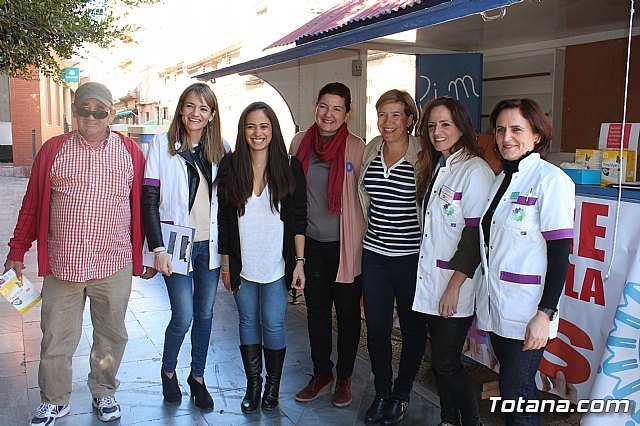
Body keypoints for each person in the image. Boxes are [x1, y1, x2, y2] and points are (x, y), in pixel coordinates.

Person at [3, 82, 149, 425]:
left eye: (100, 110)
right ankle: (55, 400)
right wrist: (16, 250)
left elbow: (146, 205)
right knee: (55, 336)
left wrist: (151, 252)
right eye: (85, 109)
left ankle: (104, 391)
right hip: (63, 264)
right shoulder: (54, 150)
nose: (92, 116)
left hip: (113, 263)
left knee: (111, 335)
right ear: (74, 112)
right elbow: (33, 204)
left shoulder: (130, 152)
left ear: (111, 113)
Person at [476, 99, 575, 425]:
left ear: (536, 135)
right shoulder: (502, 179)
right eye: (501, 129)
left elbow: (560, 253)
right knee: (514, 388)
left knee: (516, 391)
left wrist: (545, 314)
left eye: (517, 129)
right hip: (498, 305)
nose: (506, 137)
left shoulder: (551, 180)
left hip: (528, 311)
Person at [216, 101, 307, 413]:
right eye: (251, 126)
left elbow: (298, 219)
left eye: (264, 126)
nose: (257, 133)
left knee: (273, 323)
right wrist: (227, 265)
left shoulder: (289, 166)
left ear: (273, 130)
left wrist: (300, 263)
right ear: (243, 130)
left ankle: (272, 386)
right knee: (247, 321)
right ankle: (253, 385)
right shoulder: (230, 166)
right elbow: (224, 221)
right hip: (243, 264)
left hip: (277, 265)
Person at [141, 82, 227, 410]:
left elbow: (229, 203)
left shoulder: (222, 149)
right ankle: (168, 370)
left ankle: (198, 377)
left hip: (209, 246)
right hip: (175, 247)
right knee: (184, 315)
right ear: (181, 108)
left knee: (205, 314)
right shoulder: (160, 147)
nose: (196, 113)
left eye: (203, 108)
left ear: (211, 115)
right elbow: (149, 200)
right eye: (190, 106)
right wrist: (157, 249)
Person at [411, 97, 495, 426]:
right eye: (432, 125)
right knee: (440, 361)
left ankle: (471, 420)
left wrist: (453, 287)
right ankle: (448, 419)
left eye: (445, 124)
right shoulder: (440, 166)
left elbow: (475, 237)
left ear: (461, 126)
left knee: (446, 362)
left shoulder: (474, 170)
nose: (437, 131)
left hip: (455, 285)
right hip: (433, 281)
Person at [289, 82, 366, 407]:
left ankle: (344, 376)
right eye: (324, 106)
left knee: (348, 316)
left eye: (337, 108)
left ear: (347, 112)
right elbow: (292, 197)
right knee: (317, 313)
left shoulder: (356, 147)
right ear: (315, 107)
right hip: (311, 248)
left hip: (346, 247)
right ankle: (322, 373)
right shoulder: (298, 143)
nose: (328, 114)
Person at [358, 89, 427, 425]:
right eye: (382, 114)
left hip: (411, 257)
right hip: (374, 255)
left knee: (414, 330)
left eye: (396, 115)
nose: (387, 122)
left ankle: (402, 394)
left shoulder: (425, 155)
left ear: (410, 119)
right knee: (377, 328)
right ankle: (383, 391)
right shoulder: (371, 148)